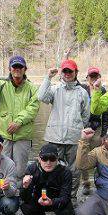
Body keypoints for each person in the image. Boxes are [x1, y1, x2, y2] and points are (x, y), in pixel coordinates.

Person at [0, 56, 40, 187]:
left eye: (20, 67)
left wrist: (18, 121)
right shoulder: (1, 85)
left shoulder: (32, 88)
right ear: (10, 69)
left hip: (23, 134)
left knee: (20, 168)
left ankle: (16, 191)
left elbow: (33, 108)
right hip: (3, 134)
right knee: (0, 165)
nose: (17, 69)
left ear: (25, 69)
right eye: (15, 67)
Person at [38, 59, 90, 203]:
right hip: (54, 138)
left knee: (75, 170)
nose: (67, 74)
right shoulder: (55, 89)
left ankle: (71, 197)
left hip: (74, 139)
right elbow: (41, 97)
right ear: (61, 73)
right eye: (65, 71)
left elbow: (86, 115)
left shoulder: (82, 92)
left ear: (76, 73)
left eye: (70, 71)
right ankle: (52, 197)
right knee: (52, 168)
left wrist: (76, 127)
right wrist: (48, 78)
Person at [20, 143, 75, 215]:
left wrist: (52, 202)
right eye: (45, 159)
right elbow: (24, 197)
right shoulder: (32, 169)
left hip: (56, 200)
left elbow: (66, 197)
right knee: (25, 205)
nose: (48, 162)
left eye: (52, 159)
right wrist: (25, 187)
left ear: (57, 159)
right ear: (39, 159)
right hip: (38, 200)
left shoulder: (65, 172)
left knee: (66, 211)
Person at [79, 67, 108, 196]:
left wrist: (104, 133)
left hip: (97, 129)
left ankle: (100, 183)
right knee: (82, 155)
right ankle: (86, 183)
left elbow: (107, 114)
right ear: (87, 78)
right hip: (83, 128)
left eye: (96, 76)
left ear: (100, 77)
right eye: (91, 76)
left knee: (101, 157)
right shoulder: (81, 90)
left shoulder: (103, 91)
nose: (93, 79)